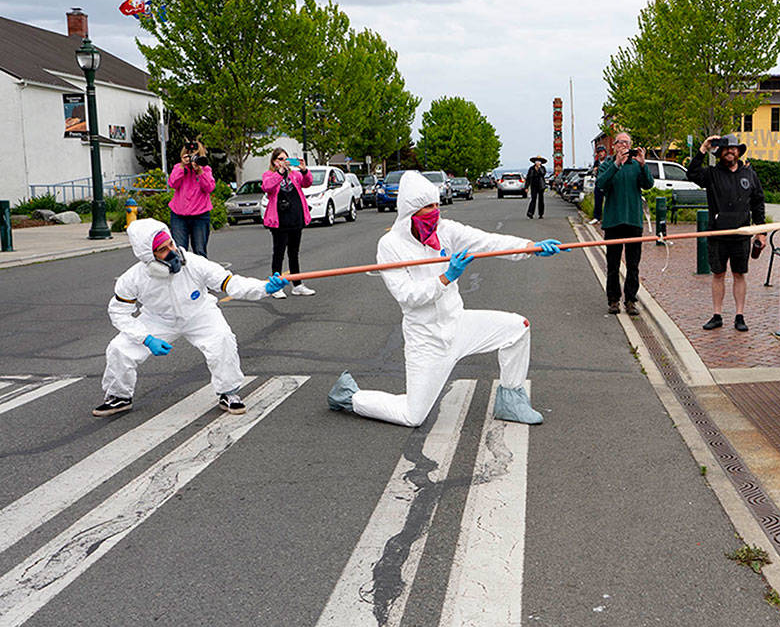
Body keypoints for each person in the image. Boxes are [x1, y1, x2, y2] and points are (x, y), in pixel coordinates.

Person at [326, 171, 562, 427]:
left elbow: (486, 241)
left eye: (437, 204)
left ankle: (511, 400)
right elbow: (407, 296)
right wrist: (446, 278)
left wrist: (530, 247)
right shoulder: (390, 245)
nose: (435, 212)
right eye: (428, 207)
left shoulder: (445, 230)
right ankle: (350, 396)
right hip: (426, 339)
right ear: (410, 210)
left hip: (457, 323)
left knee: (518, 328)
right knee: (412, 416)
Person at [95, 217, 288, 417]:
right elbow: (118, 312)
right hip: (158, 319)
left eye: (171, 244)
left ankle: (228, 392)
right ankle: (119, 396)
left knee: (222, 339)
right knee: (119, 348)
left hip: (199, 313)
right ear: (148, 257)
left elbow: (230, 283)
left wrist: (264, 287)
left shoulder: (194, 263)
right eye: (162, 249)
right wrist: (145, 338)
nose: (172, 252)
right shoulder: (133, 279)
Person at [688, 134, 766, 331]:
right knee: (718, 274)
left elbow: (758, 202)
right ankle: (717, 315)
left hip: (741, 234)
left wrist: (761, 231)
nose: (730, 151)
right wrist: (703, 148)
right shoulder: (711, 174)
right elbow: (691, 173)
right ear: (720, 152)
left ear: (738, 151)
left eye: (733, 148)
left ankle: (740, 316)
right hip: (718, 234)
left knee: (739, 274)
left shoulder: (749, 174)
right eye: (725, 149)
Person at [596, 131, 653, 316]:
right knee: (613, 265)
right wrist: (616, 164)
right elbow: (601, 184)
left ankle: (630, 300)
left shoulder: (636, 165)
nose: (623, 146)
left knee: (633, 265)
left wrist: (643, 165)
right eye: (620, 142)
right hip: (613, 221)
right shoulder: (607, 165)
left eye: (627, 143)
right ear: (614, 146)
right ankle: (613, 300)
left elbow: (648, 184)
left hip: (633, 221)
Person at [261, 149, 315, 298]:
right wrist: (280, 172)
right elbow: (267, 186)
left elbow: (307, 183)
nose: (284, 161)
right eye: (280, 159)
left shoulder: (294, 175)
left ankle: (297, 285)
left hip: (295, 218)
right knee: (278, 254)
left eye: (286, 159)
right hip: (279, 220)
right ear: (274, 161)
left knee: (294, 253)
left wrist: (304, 170)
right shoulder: (269, 175)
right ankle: (276, 286)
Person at [168, 138, 216, 257]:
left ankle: (200, 270)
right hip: (179, 215)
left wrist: (199, 171)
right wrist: (182, 167)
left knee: (200, 251)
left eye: (196, 156)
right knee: (179, 251)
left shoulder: (205, 169)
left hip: (200, 215)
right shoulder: (178, 168)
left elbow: (209, 188)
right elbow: (172, 183)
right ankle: (180, 269)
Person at [588, 144, 608, 225]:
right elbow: (592, 171)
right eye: (599, 152)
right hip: (599, 183)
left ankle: (607, 218)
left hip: (607, 184)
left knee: (608, 202)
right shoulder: (596, 162)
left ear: (605, 152)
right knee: (598, 201)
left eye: (602, 152)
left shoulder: (608, 161)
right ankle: (597, 217)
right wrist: (594, 170)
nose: (600, 154)